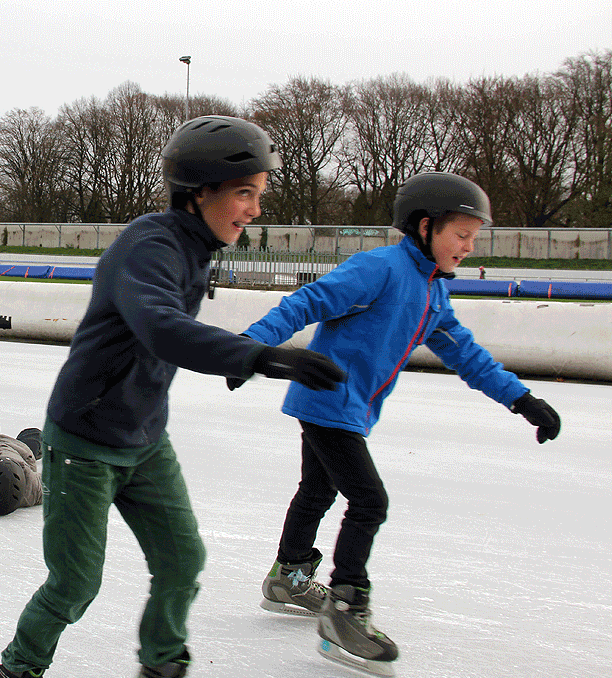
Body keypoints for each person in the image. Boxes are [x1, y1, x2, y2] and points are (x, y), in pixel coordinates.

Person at [0, 116, 346, 678]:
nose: (255, 209)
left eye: (259, 194)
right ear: (200, 192)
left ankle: (163, 666)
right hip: (85, 439)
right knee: (76, 583)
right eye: (244, 194)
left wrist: (245, 355)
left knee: (182, 562)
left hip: (145, 437)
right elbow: (159, 326)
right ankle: (21, 665)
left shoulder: (198, 246)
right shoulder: (149, 245)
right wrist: (256, 356)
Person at [236, 172, 561, 674]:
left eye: (475, 238)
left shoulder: (433, 297)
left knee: (317, 491)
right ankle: (345, 609)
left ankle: (289, 577)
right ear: (427, 226)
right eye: (461, 235)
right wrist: (251, 348)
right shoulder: (379, 268)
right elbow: (309, 301)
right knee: (369, 500)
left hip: (342, 408)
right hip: (330, 403)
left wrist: (522, 399)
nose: (469, 247)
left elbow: (469, 359)